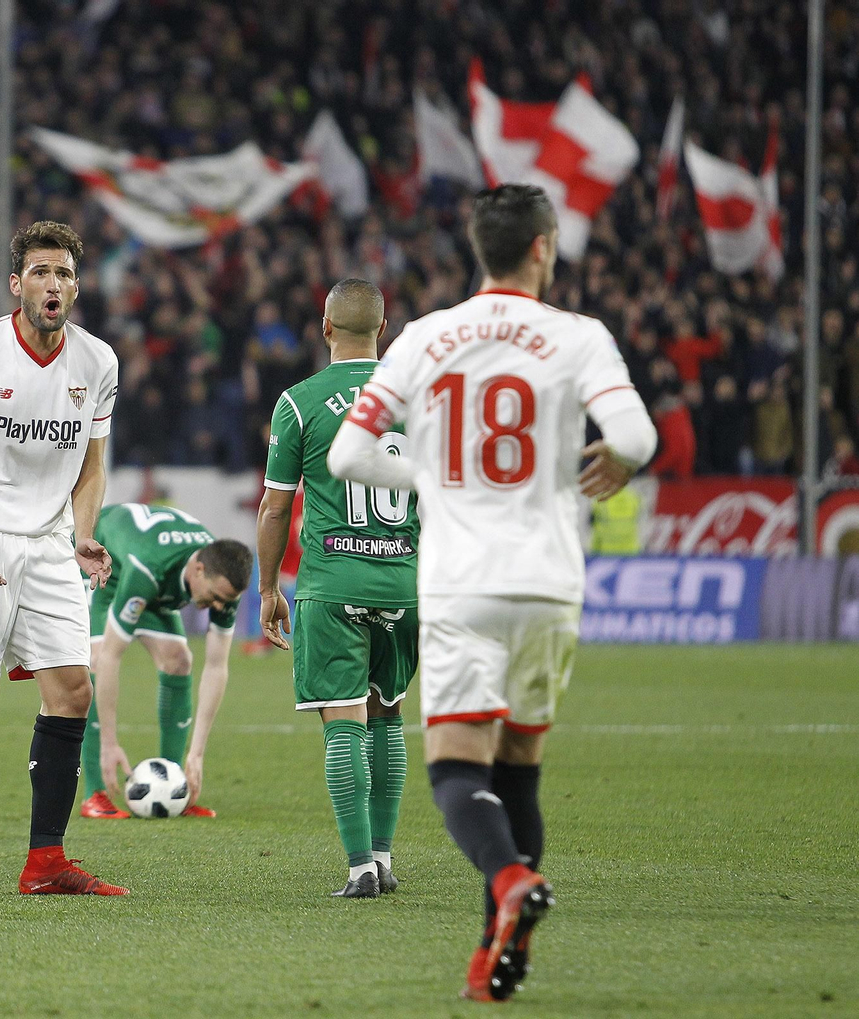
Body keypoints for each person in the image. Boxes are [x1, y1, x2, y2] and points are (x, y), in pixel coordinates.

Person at [328, 185, 657, 1001]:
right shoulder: (580, 336)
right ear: (544, 246)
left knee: (456, 769)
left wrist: (431, 479)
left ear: (482, 247)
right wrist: (618, 462)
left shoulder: (427, 337)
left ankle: (509, 878)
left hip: (462, 582)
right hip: (549, 583)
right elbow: (637, 438)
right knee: (522, 770)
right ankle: (495, 958)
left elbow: (346, 456)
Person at [0, 221, 125, 896]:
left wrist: (83, 532)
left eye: (65, 273)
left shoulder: (97, 362)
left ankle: (46, 862)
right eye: (41, 272)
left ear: (76, 285)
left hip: (46, 542)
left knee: (73, 689)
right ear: (18, 285)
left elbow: (93, 467)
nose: (53, 284)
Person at [256, 279, 420, 900]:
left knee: (345, 727)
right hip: (403, 584)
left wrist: (269, 586)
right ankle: (383, 856)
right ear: (383, 327)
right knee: (389, 718)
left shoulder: (298, 402)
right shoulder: (417, 403)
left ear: (325, 327)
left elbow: (276, 509)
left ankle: (359, 870)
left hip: (331, 583)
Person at [79, 502, 252, 820]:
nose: (216, 606)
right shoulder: (148, 567)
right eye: (214, 597)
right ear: (198, 569)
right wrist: (110, 743)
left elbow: (217, 665)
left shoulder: (222, 583)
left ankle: (176, 789)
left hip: (157, 584)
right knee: (97, 657)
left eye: (224, 601)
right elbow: (112, 657)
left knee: (179, 661)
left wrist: (196, 754)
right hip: (110, 573)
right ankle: (96, 794)